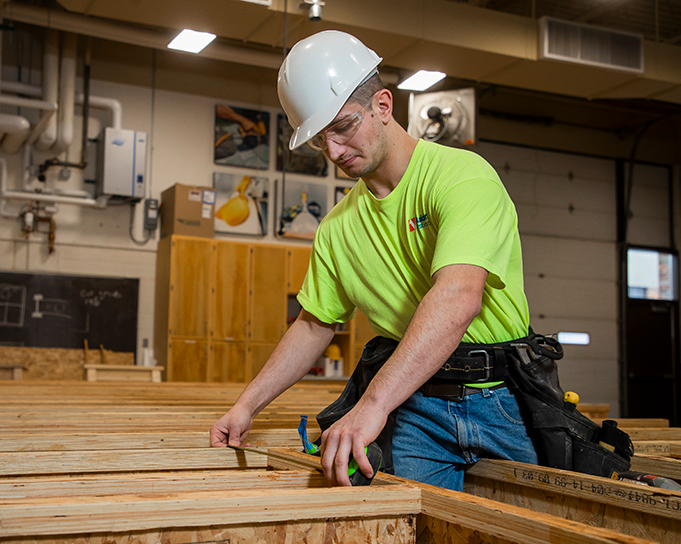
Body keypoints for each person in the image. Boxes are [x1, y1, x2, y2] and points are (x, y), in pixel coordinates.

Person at [209, 30, 538, 491]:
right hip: (417, 403)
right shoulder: (337, 229)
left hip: (501, 398)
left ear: (383, 106)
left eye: (343, 127)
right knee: (418, 535)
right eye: (320, 141)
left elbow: (458, 296)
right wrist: (247, 405)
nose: (335, 152)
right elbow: (312, 326)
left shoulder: (462, 177)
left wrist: (373, 405)